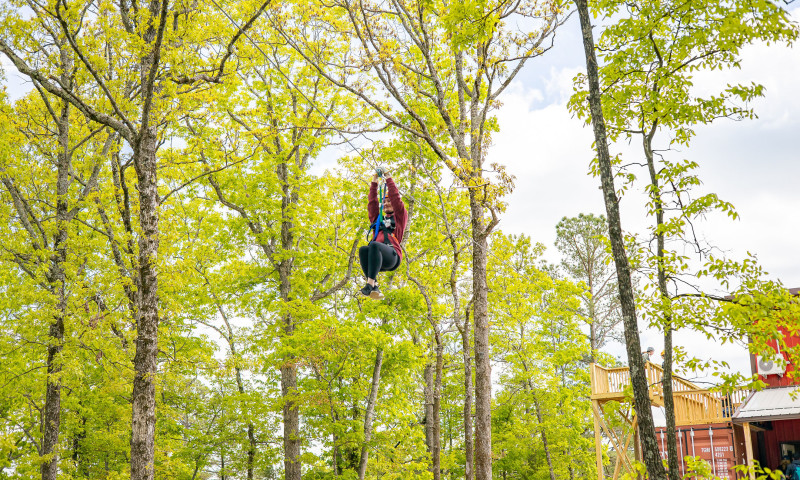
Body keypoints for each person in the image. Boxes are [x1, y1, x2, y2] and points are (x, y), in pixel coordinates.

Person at [359, 170, 407, 299]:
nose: (386, 204)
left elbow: (396, 199)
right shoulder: (378, 219)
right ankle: (374, 286)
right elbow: (372, 203)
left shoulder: (399, 217)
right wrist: (374, 181)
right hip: (379, 258)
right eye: (384, 202)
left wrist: (389, 178)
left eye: (388, 202)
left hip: (393, 256)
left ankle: (370, 284)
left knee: (373, 245)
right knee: (364, 249)